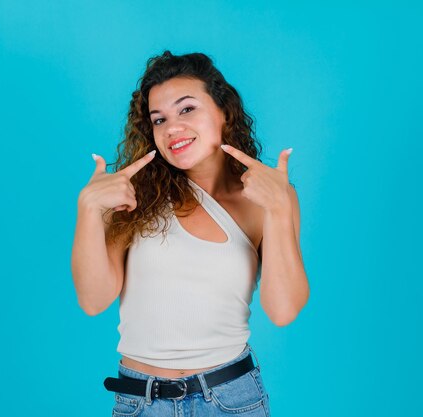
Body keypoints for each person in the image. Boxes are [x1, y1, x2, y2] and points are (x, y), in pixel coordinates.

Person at [71, 50, 310, 416]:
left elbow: (283, 310)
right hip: (142, 402)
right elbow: (93, 300)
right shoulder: (133, 194)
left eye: (187, 109)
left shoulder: (269, 195)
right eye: (159, 119)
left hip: (231, 399)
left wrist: (278, 208)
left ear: (223, 112)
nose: (172, 128)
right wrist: (88, 210)